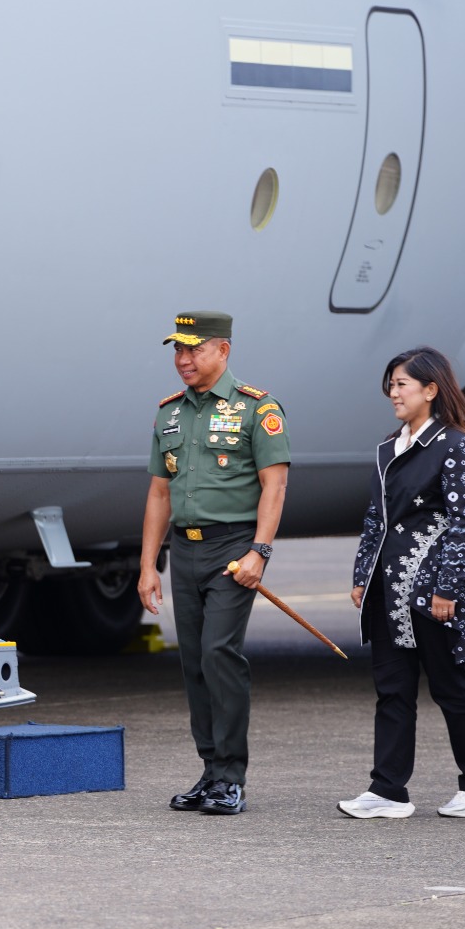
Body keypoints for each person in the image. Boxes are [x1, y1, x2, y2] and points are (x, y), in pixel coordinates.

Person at [340, 347, 465, 820]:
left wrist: (448, 587)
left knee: (451, 687)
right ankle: (388, 790)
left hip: (433, 588)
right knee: (392, 689)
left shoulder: (456, 445)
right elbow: (377, 518)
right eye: (390, 384)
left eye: (402, 384)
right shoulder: (388, 447)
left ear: (431, 390)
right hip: (388, 590)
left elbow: (463, 523)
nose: (393, 392)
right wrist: (361, 576)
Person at [138, 311, 290, 816]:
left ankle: (231, 776)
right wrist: (147, 566)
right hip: (185, 549)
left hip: (233, 549)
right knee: (193, 662)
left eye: (194, 349)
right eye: (177, 350)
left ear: (222, 351)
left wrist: (259, 553)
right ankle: (210, 770)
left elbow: (275, 484)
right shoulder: (170, 413)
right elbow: (159, 493)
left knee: (219, 653)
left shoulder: (257, 408)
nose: (183, 360)